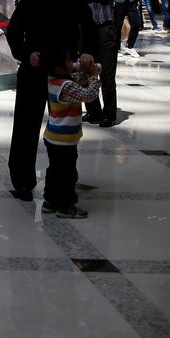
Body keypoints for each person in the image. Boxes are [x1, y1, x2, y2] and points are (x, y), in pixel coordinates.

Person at [5, 0, 98, 200]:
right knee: (26, 126)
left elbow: (89, 29)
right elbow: (13, 34)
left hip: (65, 73)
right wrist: (26, 54)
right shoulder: (29, 4)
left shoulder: (75, 3)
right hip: (33, 72)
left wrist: (88, 53)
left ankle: (65, 180)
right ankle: (23, 182)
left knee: (67, 130)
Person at [41, 49, 101, 219]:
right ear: (60, 69)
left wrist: (85, 71)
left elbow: (77, 83)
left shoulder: (54, 80)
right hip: (64, 141)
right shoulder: (65, 86)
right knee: (67, 175)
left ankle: (50, 202)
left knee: (54, 171)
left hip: (53, 137)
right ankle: (66, 206)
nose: (72, 63)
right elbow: (89, 95)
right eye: (69, 61)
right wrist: (94, 77)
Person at [75, 0, 118, 127]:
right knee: (85, 73)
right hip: (87, 35)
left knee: (107, 75)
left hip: (105, 33)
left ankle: (109, 114)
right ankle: (93, 111)